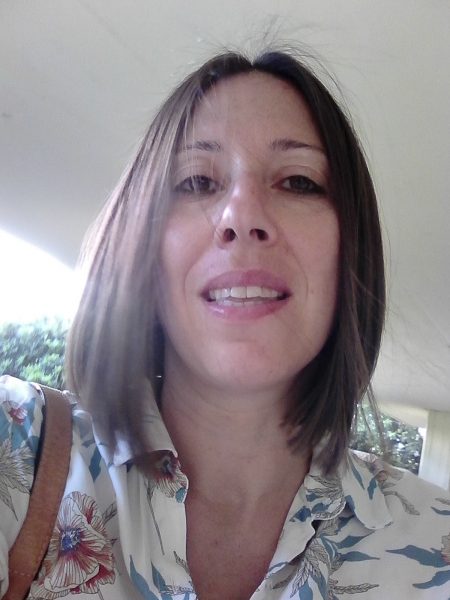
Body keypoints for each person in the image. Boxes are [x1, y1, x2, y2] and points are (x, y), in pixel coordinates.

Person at [1, 49, 449, 600]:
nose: (243, 215)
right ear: (140, 246)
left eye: (298, 182)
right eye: (195, 181)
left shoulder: (438, 543)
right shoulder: (15, 449)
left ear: (351, 252)